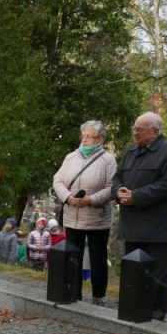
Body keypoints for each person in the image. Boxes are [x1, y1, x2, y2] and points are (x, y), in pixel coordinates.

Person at [112, 112, 167, 320]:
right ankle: (132, 306)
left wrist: (137, 196)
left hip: (157, 226)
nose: (135, 133)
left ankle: (155, 313)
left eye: (139, 130)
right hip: (132, 223)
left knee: (156, 274)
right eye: (134, 129)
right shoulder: (131, 151)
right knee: (133, 270)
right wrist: (119, 192)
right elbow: (117, 177)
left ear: (155, 131)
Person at [53, 120, 117, 305]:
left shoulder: (108, 160)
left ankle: (98, 295)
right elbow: (57, 180)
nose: (85, 140)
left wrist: (90, 200)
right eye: (83, 136)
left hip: (97, 218)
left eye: (89, 136)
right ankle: (74, 292)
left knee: (98, 258)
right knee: (73, 257)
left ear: (100, 139)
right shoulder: (70, 157)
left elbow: (111, 188)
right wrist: (68, 197)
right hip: (73, 216)